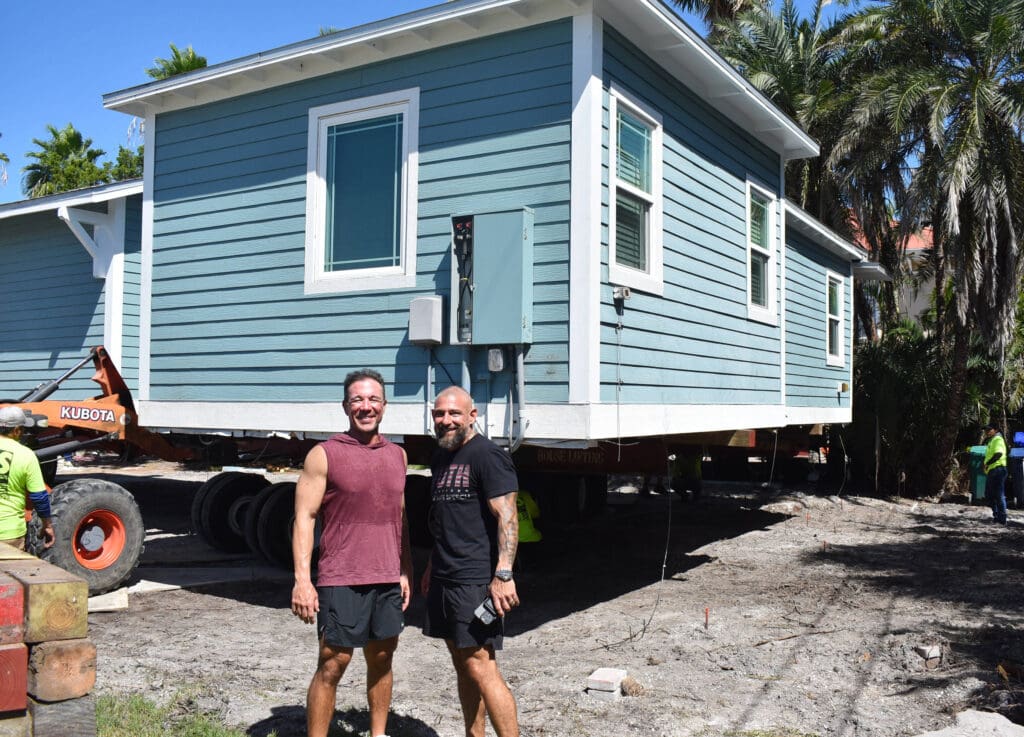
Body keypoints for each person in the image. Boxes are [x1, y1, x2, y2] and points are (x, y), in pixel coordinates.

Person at [291, 370, 412, 737]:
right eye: (358, 399)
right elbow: (304, 519)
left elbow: (402, 518)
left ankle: (378, 734)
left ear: (384, 406)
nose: (366, 406)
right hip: (341, 576)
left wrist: (405, 569)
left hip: (387, 577)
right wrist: (302, 580)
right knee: (333, 662)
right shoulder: (324, 454)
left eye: (373, 399)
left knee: (382, 658)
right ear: (346, 406)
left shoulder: (399, 455)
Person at [422, 386, 521, 737]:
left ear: (472, 416)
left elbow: (507, 517)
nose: (445, 420)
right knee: (463, 664)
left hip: (475, 580)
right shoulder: (441, 458)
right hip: (445, 577)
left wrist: (503, 574)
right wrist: (433, 565)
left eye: (453, 413)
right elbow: (445, 519)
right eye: (439, 414)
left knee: (482, 666)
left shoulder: (487, 456)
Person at [0, 406, 55, 551]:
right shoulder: (26, 455)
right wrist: (47, 525)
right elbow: (39, 496)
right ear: (17, 430)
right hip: (9, 533)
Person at [982, 423, 1008, 524]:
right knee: (989, 495)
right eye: (986, 430)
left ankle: (1001, 519)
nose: (987, 432)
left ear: (996, 430)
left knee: (998, 495)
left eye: (989, 430)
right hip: (993, 470)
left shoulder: (998, 439)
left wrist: (987, 464)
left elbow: (998, 454)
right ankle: (997, 516)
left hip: (998, 469)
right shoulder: (992, 440)